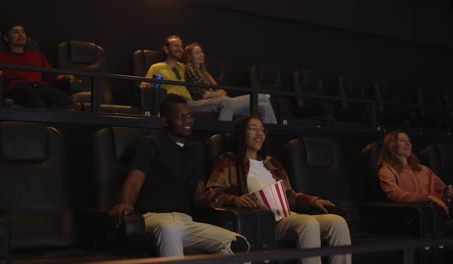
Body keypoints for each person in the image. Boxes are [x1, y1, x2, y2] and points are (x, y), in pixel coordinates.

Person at [109, 94, 249, 257]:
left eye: (189, 115)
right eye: (180, 117)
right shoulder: (150, 145)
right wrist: (126, 204)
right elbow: (134, 181)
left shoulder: (196, 149)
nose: (187, 120)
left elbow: (198, 197)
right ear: (165, 121)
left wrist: (209, 199)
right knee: (170, 228)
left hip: (185, 220)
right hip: (153, 218)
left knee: (237, 243)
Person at [207, 115, 351, 264]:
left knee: (337, 222)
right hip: (265, 222)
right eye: (253, 129)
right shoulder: (229, 161)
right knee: (308, 222)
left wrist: (314, 201)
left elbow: (289, 195)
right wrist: (234, 199)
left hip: (288, 216)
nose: (259, 134)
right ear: (240, 134)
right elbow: (212, 193)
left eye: (262, 130)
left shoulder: (272, 163)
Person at [184, 43, 278, 124]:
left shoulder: (204, 72)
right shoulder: (190, 68)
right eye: (197, 53)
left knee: (264, 107)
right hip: (205, 102)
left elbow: (218, 90)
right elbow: (203, 94)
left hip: (219, 101)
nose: (201, 55)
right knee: (262, 97)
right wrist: (219, 93)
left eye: (201, 52)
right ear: (190, 56)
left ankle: (267, 137)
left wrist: (219, 92)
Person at [0, 23, 71, 109]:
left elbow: (51, 75)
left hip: (37, 86)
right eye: (16, 32)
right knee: (34, 99)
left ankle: (48, 122)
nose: (21, 34)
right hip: (17, 87)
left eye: (22, 31)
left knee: (62, 98)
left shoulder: (36, 56)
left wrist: (62, 77)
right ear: (6, 38)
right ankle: (46, 120)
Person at [377, 130, 453, 216]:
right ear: (391, 146)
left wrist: (448, 194)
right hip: (412, 216)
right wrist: (426, 198)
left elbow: (442, 195)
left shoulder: (424, 169)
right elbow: (395, 194)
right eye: (402, 140)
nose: (408, 144)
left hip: (435, 214)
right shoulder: (387, 170)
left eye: (409, 141)